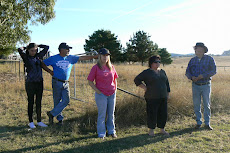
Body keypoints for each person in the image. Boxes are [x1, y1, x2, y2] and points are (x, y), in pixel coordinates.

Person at [44, 42, 98, 125]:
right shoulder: (53, 58)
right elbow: (42, 63)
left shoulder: (71, 58)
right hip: (56, 82)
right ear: (61, 50)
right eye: (67, 49)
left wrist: (94, 57)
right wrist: (49, 71)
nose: (68, 50)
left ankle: (51, 114)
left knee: (66, 100)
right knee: (57, 101)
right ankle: (60, 119)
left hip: (66, 83)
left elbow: (82, 58)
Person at [18, 43, 53, 129]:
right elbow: (19, 49)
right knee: (31, 102)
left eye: (35, 50)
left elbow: (46, 47)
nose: (33, 52)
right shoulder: (25, 57)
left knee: (38, 102)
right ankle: (31, 122)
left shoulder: (39, 56)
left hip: (39, 82)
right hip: (30, 83)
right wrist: (26, 47)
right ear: (28, 50)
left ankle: (39, 121)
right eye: (31, 50)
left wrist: (38, 45)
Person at [134, 55, 170, 136]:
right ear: (151, 63)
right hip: (151, 97)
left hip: (163, 96)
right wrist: (144, 87)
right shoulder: (147, 72)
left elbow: (167, 83)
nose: (158, 64)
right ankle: (151, 130)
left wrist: (168, 94)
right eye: (156, 62)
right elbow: (137, 80)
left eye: (159, 62)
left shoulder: (162, 71)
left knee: (163, 113)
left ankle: (162, 129)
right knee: (152, 113)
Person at [87, 48, 118, 139]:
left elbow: (115, 79)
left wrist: (115, 89)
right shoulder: (95, 67)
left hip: (112, 94)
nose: (105, 57)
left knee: (111, 114)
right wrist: (98, 91)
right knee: (102, 114)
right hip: (101, 95)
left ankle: (111, 131)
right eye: (103, 55)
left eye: (107, 55)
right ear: (99, 56)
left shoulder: (111, 67)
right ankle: (101, 132)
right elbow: (90, 81)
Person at [186, 42, 216, 130]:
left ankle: (207, 123)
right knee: (196, 104)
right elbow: (187, 72)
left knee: (206, 104)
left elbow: (214, 71)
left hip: (206, 85)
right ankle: (198, 122)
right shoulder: (192, 60)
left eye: (200, 50)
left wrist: (203, 76)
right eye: (197, 50)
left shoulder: (210, 59)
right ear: (195, 50)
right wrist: (191, 77)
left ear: (204, 51)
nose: (198, 51)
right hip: (195, 85)